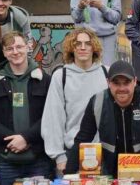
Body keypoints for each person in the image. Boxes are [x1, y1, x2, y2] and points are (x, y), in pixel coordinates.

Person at [65, 60, 140, 176]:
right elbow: (82, 139)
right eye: (116, 83)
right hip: (110, 177)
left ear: (135, 82)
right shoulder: (97, 102)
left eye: (126, 82)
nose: (122, 88)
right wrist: (68, 174)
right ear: (108, 83)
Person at [0, 31, 54, 185]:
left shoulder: (45, 80)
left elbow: (51, 116)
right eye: (10, 48)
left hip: (38, 159)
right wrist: (12, 140)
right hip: (7, 159)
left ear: (28, 47)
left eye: (19, 46)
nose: (15, 52)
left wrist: (26, 138)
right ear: (4, 52)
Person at [41, 28, 109, 176]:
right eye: (78, 44)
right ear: (72, 48)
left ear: (94, 47)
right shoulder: (61, 76)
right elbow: (53, 118)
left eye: (87, 43)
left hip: (105, 153)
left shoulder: (107, 74)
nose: (83, 47)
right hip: (71, 153)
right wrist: (59, 156)